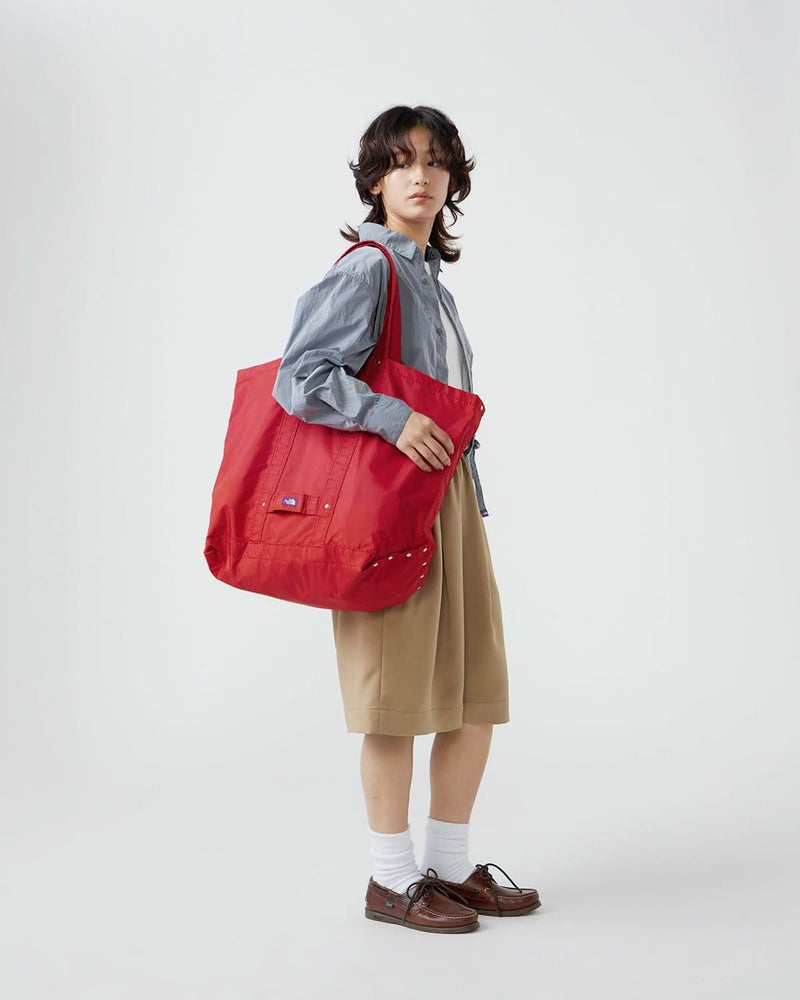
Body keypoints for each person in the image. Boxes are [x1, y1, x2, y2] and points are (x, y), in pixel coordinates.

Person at [272, 105, 541, 933]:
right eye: (399, 162)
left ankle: (450, 868)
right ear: (375, 180)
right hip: (385, 508)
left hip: (450, 499)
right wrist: (390, 418)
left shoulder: (431, 282)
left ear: (452, 177)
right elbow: (300, 374)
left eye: (433, 160)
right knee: (393, 698)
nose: (418, 175)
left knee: (473, 691)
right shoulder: (368, 269)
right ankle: (391, 880)